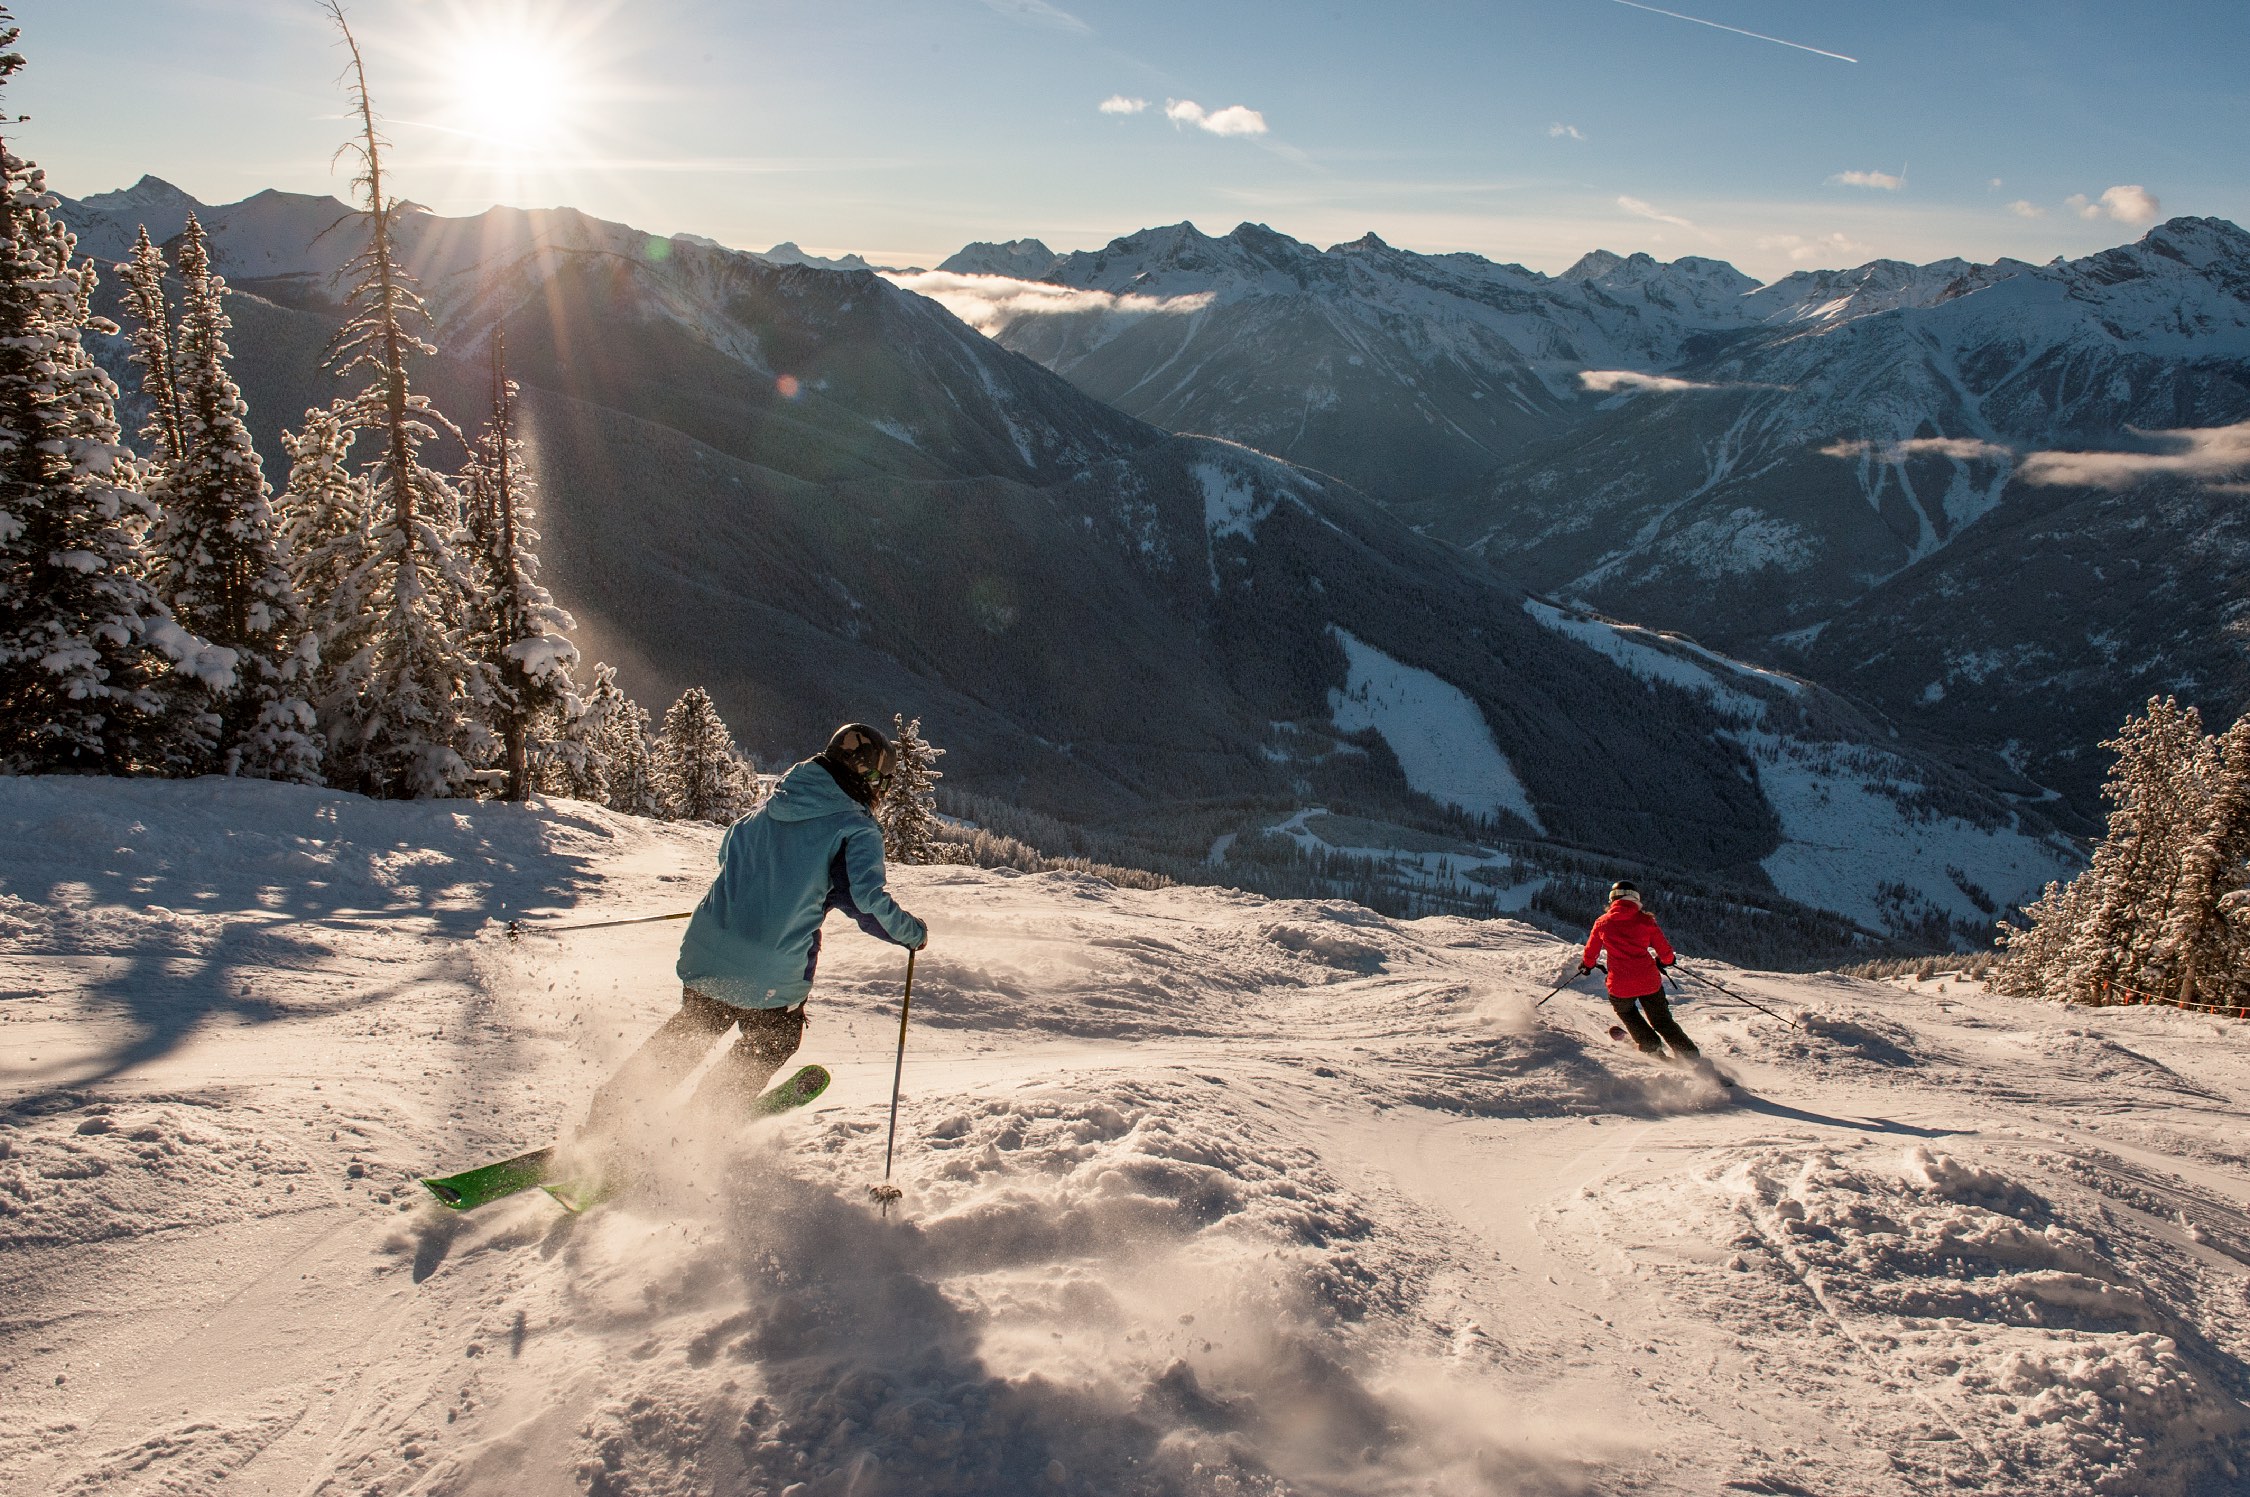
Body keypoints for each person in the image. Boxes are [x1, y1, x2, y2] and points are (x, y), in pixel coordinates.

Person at [585, 723, 929, 1131]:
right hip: (768, 970)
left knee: (695, 1029)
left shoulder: (765, 810)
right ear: (870, 778)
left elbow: (727, 859)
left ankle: (610, 1115)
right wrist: (913, 933)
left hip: (707, 949)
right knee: (775, 1039)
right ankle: (701, 1122)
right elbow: (866, 901)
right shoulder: (854, 828)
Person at [1579, 880, 1698, 1060]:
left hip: (1619, 984)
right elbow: (1665, 953)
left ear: (1612, 900)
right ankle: (1689, 1054)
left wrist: (1586, 966)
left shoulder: (1602, 923)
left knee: (1627, 1012)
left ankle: (1649, 1044)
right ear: (1635, 899)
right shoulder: (1645, 920)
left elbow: (1591, 952)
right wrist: (1667, 961)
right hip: (1649, 981)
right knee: (1662, 1020)